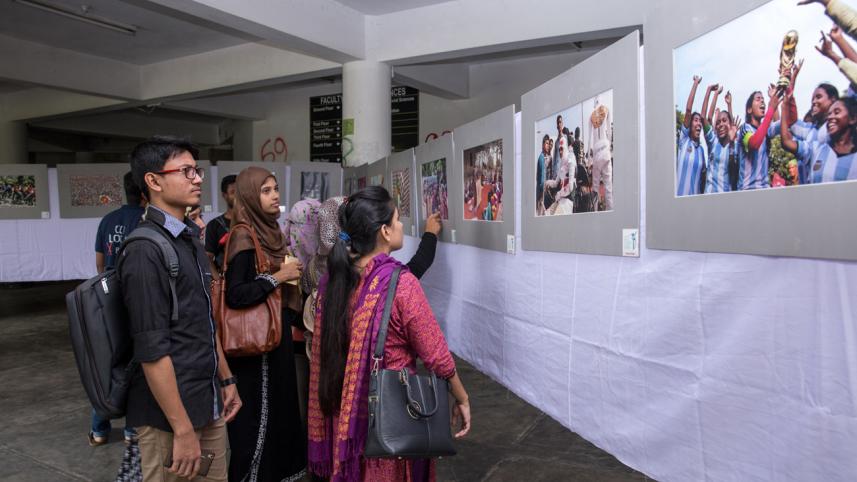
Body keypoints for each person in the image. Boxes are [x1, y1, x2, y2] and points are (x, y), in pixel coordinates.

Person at [307, 186, 470, 482]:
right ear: (384, 231)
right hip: (387, 418)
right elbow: (435, 352)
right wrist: (461, 396)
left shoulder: (333, 279)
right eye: (396, 220)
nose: (401, 226)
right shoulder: (400, 284)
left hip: (342, 412)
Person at [119, 136, 241, 482]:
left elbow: (202, 318)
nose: (198, 179)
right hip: (170, 417)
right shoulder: (145, 249)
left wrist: (226, 377)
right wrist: (182, 429)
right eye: (185, 171)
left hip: (205, 399)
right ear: (153, 181)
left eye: (197, 170)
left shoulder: (186, 237)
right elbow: (151, 349)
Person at [223, 167, 307, 482]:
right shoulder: (244, 235)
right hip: (255, 343)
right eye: (266, 190)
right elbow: (236, 294)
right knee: (257, 418)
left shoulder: (269, 231)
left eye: (275, 189)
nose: (274, 197)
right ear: (249, 196)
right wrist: (278, 277)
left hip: (275, 335)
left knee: (278, 412)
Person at [90, 171, 146, 446]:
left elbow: (100, 264)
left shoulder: (108, 220)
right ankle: (131, 429)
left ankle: (99, 429)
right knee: (136, 364)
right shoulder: (146, 222)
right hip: (137, 300)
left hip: (109, 299)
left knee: (108, 364)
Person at [782, 93, 857, 182]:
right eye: (829, 114)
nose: (831, 117)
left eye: (836, 112)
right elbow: (787, 141)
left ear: (853, 118)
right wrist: (784, 107)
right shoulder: (816, 149)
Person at [738, 84, 782, 190]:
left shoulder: (766, 129)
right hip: (747, 190)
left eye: (763, 99)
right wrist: (771, 109)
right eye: (758, 99)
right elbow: (754, 143)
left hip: (764, 189)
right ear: (749, 110)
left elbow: (779, 124)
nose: (762, 101)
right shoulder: (745, 128)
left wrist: (774, 98)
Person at [677, 75, 708, 196]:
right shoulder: (683, 140)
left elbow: (703, 180)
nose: (699, 123)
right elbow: (688, 110)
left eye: (700, 121)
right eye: (696, 120)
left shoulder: (701, 151)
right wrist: (695, 83)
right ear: (689, 124)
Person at [206, 175, 237, 271]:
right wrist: (218, 280)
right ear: (224, 195)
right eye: (233, 192)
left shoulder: (252, 221)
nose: (237, 196)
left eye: (240, 192)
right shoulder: (214, 225)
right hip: (225, 279)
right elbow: (208, 258)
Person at [587, 96, 613, 210]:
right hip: (605, 150)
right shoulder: (607, 109)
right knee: (608, 189)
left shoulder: (591, 116)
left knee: (595, 190)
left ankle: (596, 215)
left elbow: (589, 140)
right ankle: (611, 214)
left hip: (596, 153)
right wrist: (609, 147)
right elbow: (609, 132)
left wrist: (589, 160)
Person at [536, 134, 551, 215]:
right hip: (541, 194)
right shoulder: (541, 158)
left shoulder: (544, 157)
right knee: (540, 215)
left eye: (548, 144)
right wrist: (543, 191)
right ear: (542, 145)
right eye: (546, 143)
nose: (548, 146)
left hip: (541, 193)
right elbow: (541, 179)